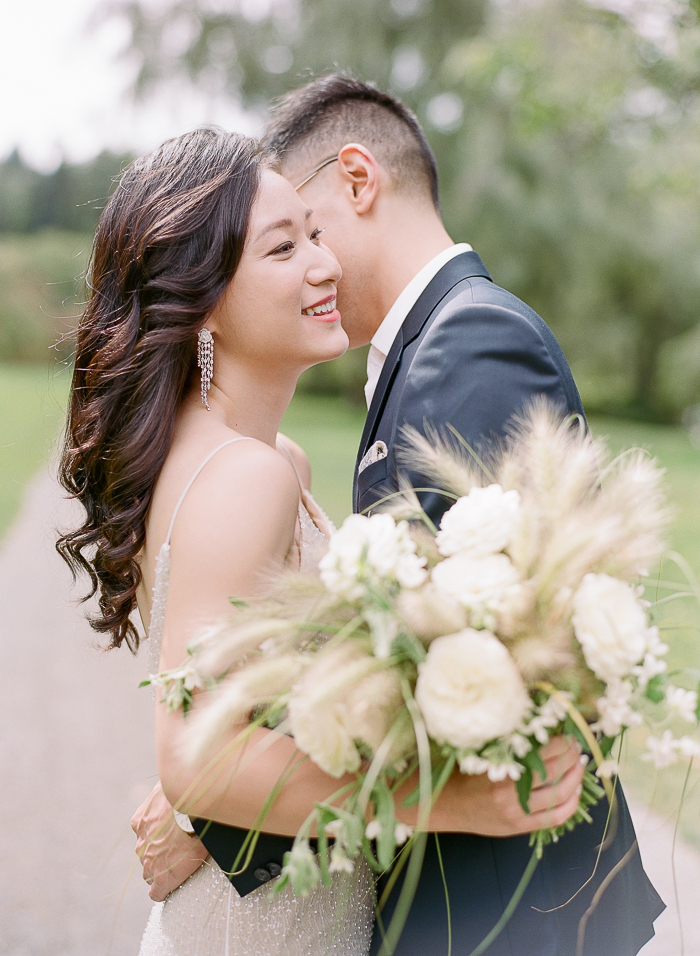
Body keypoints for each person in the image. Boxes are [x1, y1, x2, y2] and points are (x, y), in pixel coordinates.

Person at [129, 77, 664, 954]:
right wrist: (212, 785)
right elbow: (406, 649)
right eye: (281, 245)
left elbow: (473, 652)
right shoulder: (399, 369)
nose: (319, 264)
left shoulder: (466, 344)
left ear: (358, 180)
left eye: (310, 230)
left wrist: (213, 815)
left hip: (505, 912)